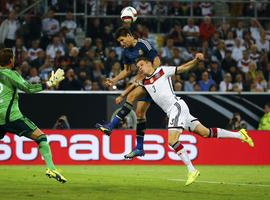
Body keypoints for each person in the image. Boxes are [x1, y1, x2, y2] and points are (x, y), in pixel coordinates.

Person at [134, 53, 254, 186]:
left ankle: (192, 170)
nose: (139, 68)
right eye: (137, 67)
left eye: (141, 65)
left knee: (172, 140)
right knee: (205, 133)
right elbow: (132, 88)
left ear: (149, 63)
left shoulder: (162, 71)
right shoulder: (144, 82)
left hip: (176, 107)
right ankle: (240, 134)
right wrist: (119, 89)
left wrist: (196, 60)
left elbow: (183, 68)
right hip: (175, 111)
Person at [0, 48, 66, 191]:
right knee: (41, 137)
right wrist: (48, 84)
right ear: (11, 61)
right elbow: (28, 88)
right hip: (12, 118)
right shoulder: (11, 74)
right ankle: (51, 168)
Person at [95, 27, 161, 159]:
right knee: (140, 113)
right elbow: (126, 71)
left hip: (153, 78)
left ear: (129, 35)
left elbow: (157, 61)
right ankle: (140, 148)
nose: (121, 43)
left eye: (122, 40)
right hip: (144, 80)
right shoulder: (126, 52)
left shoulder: (144, 44)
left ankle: (111, 126)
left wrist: (150, 74)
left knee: (131, 96)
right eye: (119, 42)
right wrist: (113, 80)